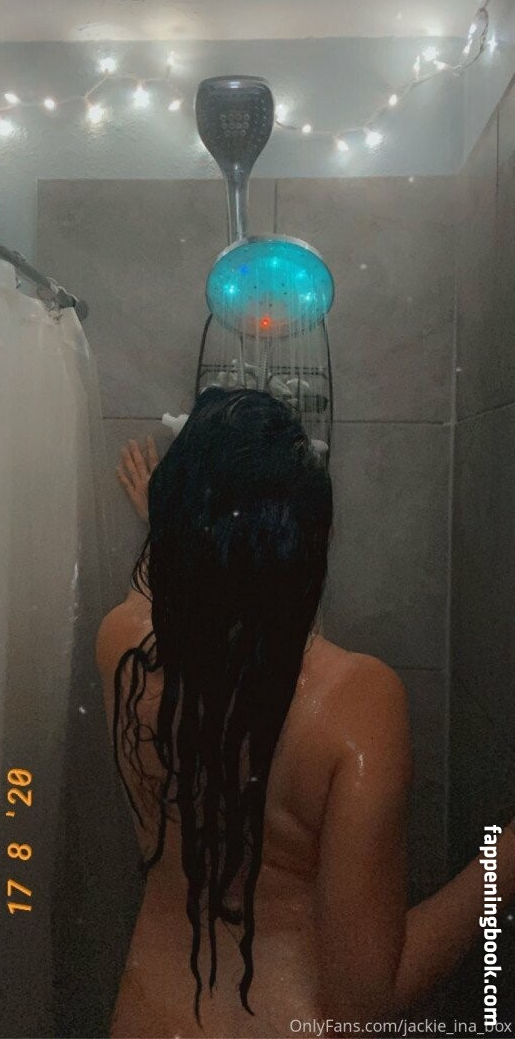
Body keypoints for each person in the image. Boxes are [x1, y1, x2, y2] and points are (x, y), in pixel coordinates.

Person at [97, 387, 515, 1039]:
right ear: (316, 540)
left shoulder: (119, 641)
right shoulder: (358, 703)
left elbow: (175, 590)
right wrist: (508, 855)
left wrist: (178, 520)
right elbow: (364, 1003)